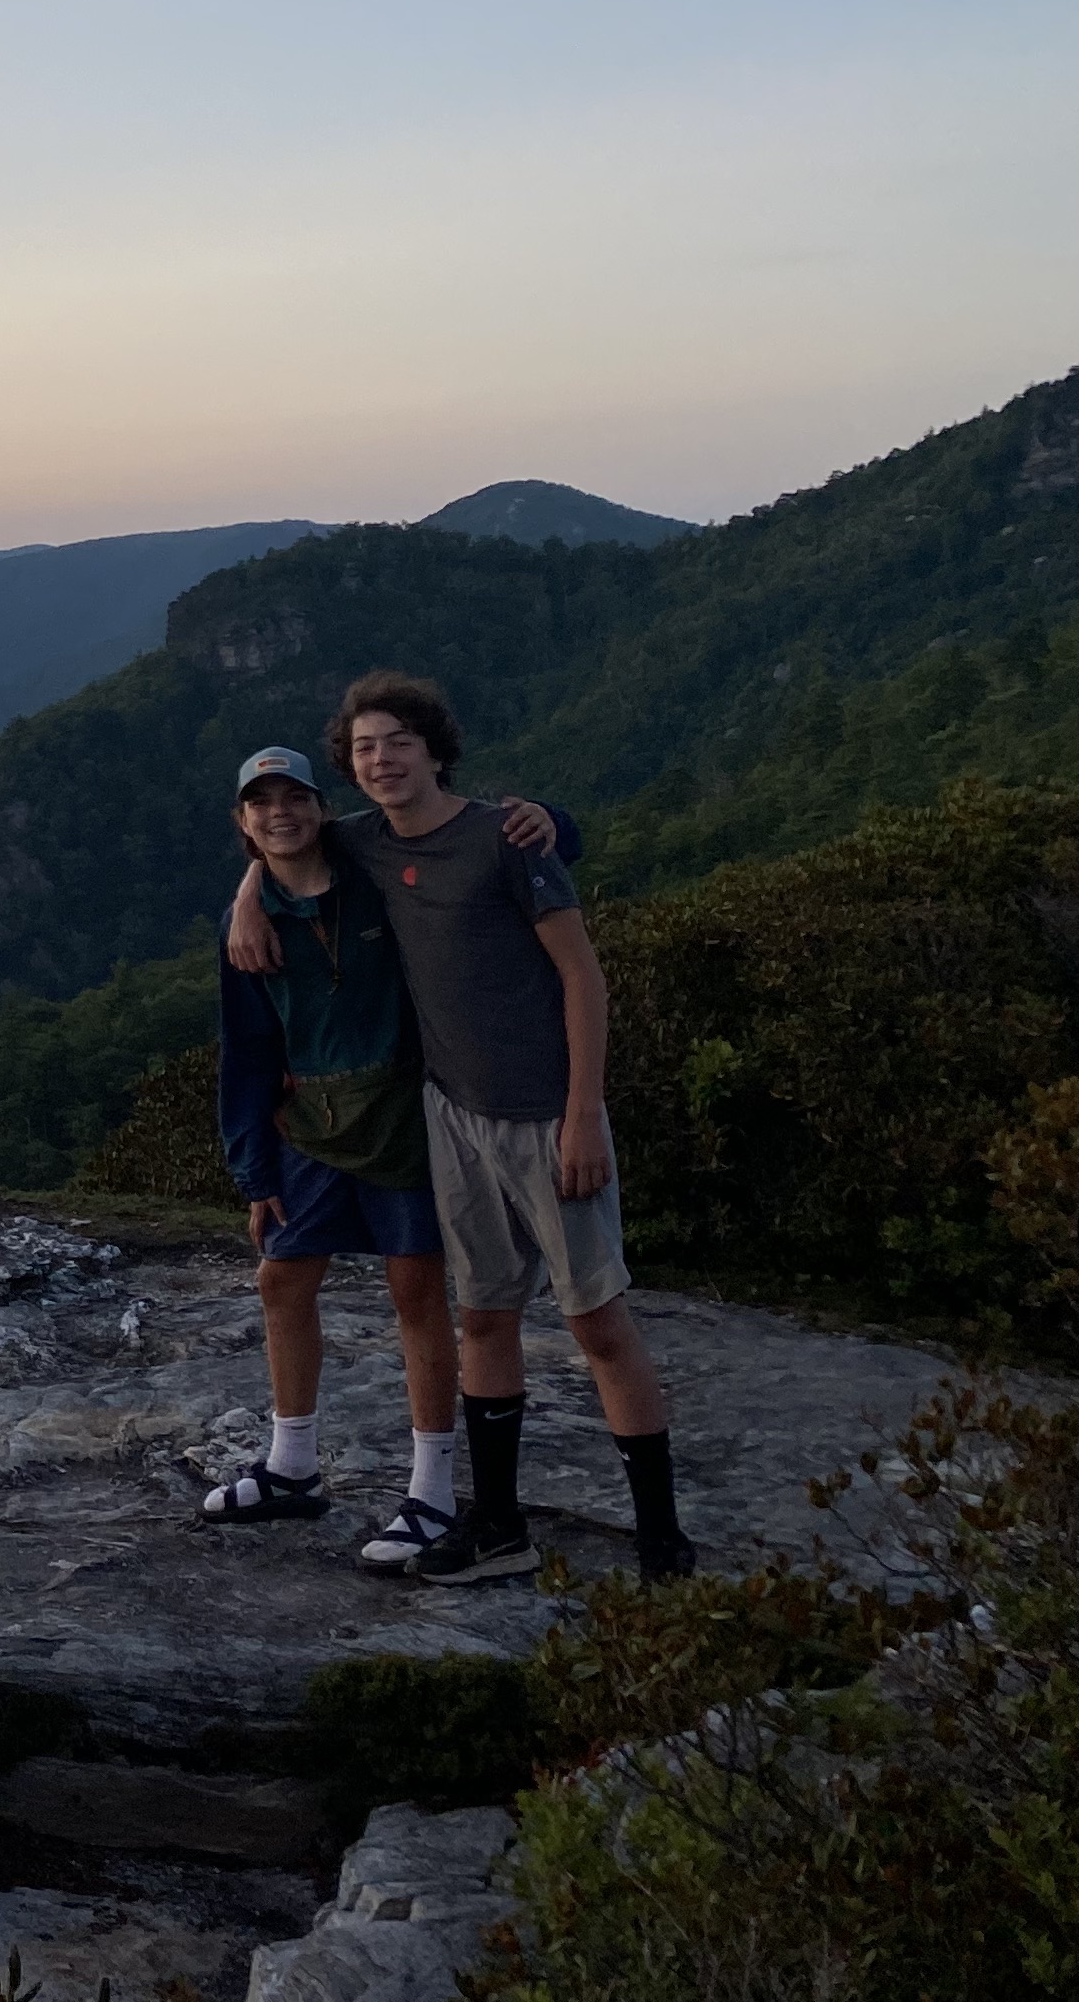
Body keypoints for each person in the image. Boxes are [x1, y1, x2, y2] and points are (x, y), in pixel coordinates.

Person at [229, 670, 693, 1583]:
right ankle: (498, 1526)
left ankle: (661, 1541)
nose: (382, 760)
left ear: (435, 750)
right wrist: (247, 895)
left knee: (597, 1322)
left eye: (398, 742)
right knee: (483, 1316)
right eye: (365, 749)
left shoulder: (506, 838)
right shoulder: (364, 841)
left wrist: (583, 1114)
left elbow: (582, 976)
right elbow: (284, 838)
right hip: (452, 1115)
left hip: (545, 1113)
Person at [200, 744, 541, 1571]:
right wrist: (253, 1169)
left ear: (322, 808)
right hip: (312, 1124)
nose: (280, 813)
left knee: (415, 1291)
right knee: (282, 1279)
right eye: (261, 803)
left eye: (294, 797)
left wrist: (547, 820)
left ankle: (431, 1491)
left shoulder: (376, 874)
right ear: (243, 822)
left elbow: (484, 841)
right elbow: (246, 1050)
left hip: (403, 1116)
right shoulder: (250, 924)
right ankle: (292, 1463)